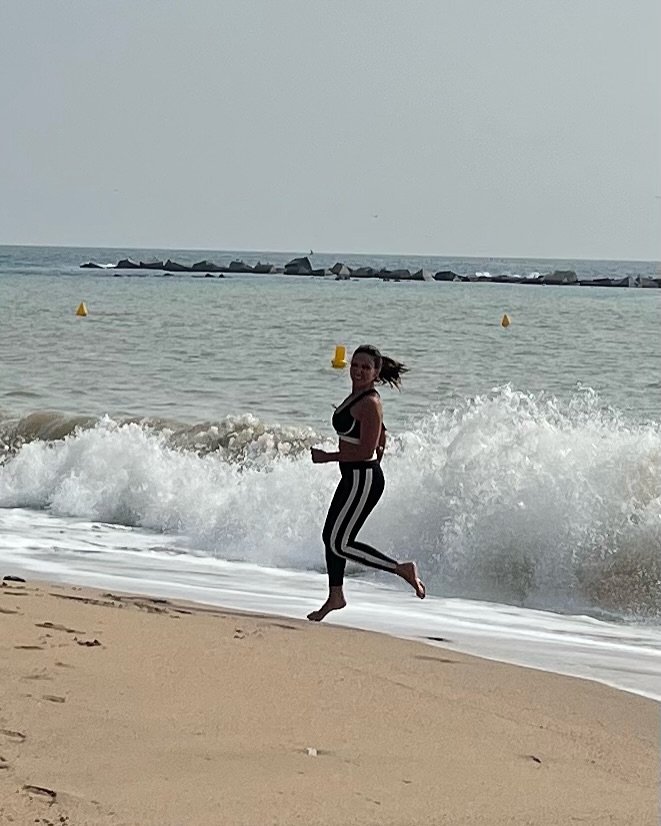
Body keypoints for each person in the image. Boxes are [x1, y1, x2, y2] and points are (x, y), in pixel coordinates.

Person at [308, 344, 425, 621]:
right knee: (331, 538)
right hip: (354, 477)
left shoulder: (371, 402)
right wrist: (377, 450)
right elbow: (379, 435)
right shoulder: (357, 395)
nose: (358, 371)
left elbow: (364, 451)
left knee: (340, 543)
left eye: (366, 367)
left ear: (376, 372)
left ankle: (401, 569)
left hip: (363, 478)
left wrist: (327, 457)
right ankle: (335, 596)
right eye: (355, 365)